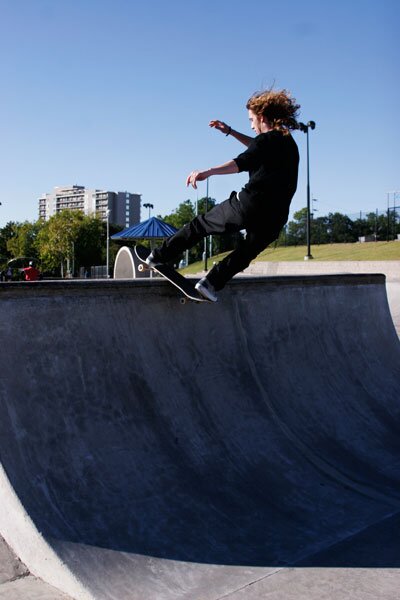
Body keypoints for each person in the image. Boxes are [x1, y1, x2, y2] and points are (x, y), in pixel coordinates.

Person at [147, 88, 301, 302]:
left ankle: (158, 256)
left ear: (262, 117)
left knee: (200, 225)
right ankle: (211, 283)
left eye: (251, 120)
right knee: (246, 252)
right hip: (275, 217)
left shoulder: (266, 142)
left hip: (249, 206)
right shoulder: (287, 143)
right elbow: (257, 146)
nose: (251, 125)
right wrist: (230, 131)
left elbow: (242, 162)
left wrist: (208, 172)